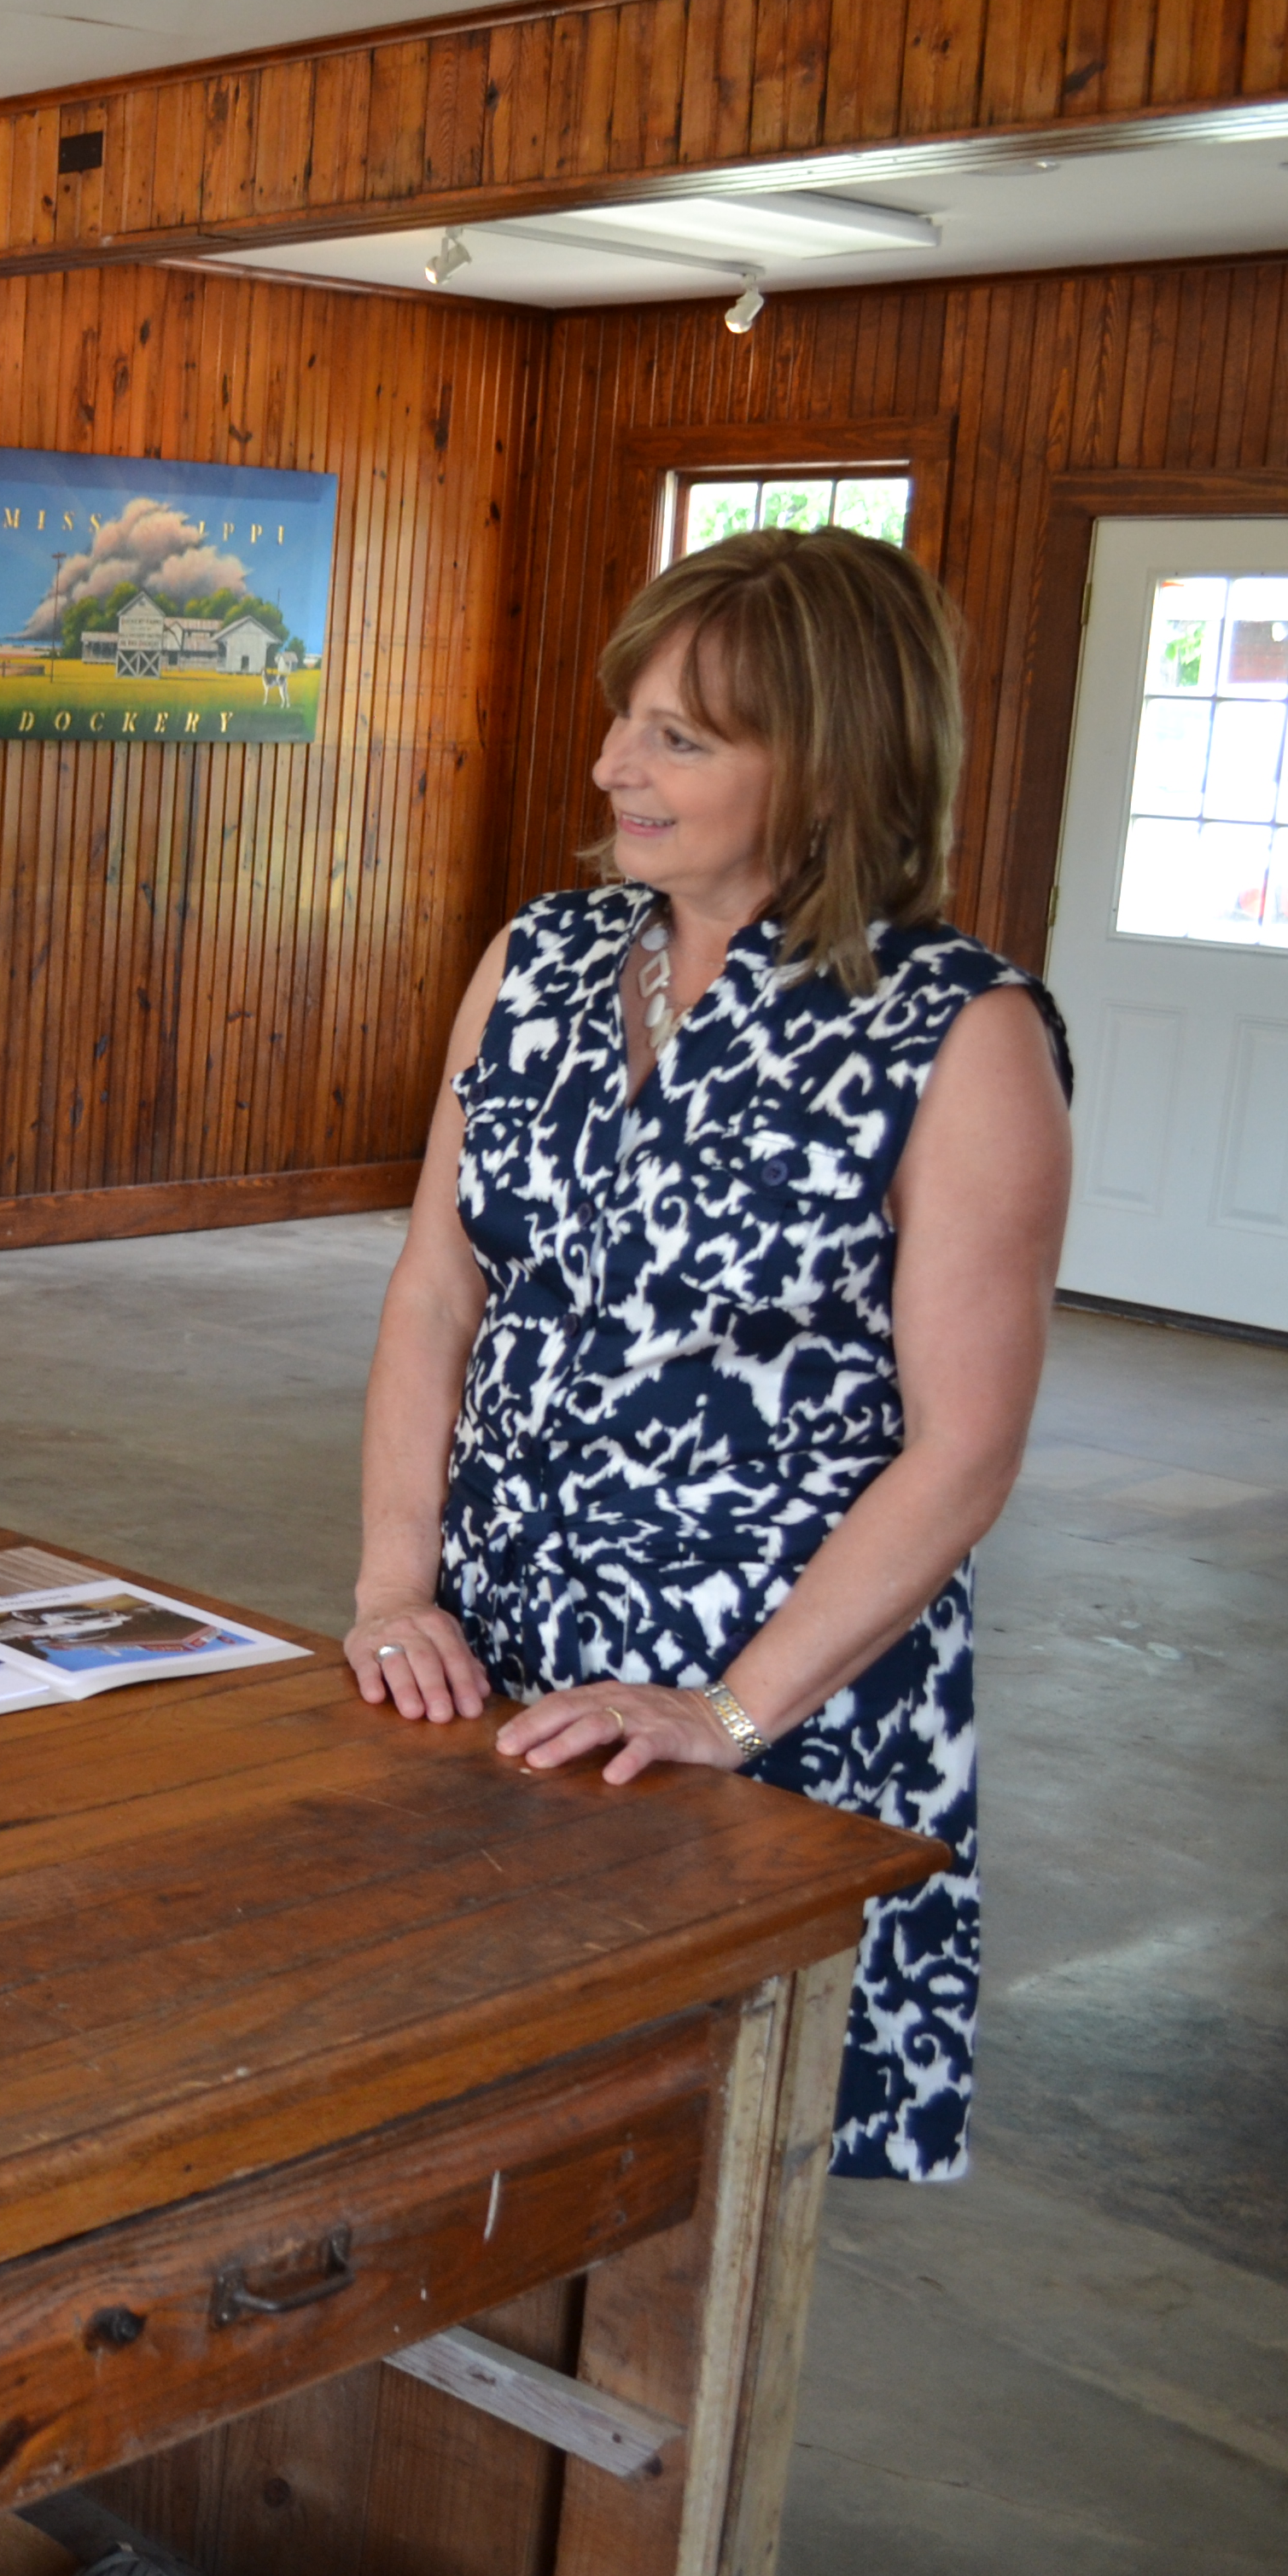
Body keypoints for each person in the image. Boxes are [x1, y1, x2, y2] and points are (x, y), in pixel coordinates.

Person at [346, 525, 1072, 2181]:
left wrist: (727, 1716)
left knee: (695, 2185)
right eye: (624, 719)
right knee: (465, 2134)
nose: (615, 765)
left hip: (765, 1709)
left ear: (828, 765)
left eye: (681, 736)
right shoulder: (538, 959)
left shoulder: (958, 1032)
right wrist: (400, 1586)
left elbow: (963, 1449)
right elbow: (437, 1287)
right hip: (495, 1654)